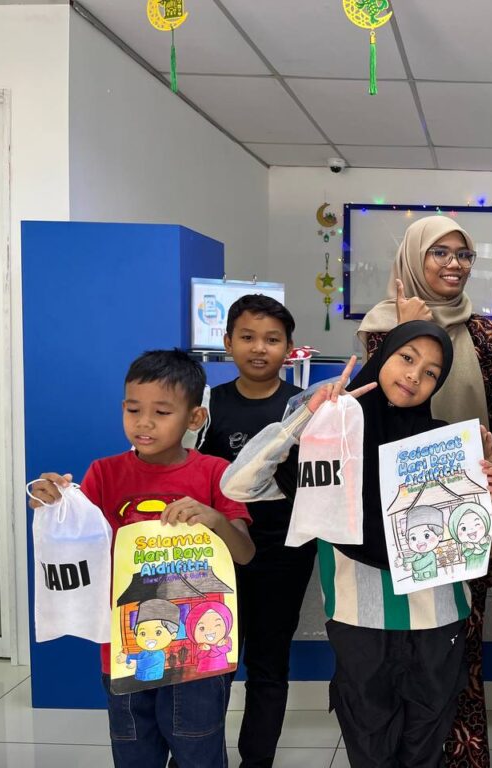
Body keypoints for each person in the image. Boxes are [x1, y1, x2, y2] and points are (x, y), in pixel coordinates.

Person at [221, 322, 492, 768]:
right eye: (407, 358)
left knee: (426, 746)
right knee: (370, 744)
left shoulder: (444, 441)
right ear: (382, 356)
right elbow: (238, 484)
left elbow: (470, 537)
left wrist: (488, 492)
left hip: (438, 617)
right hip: (360, 618)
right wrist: (305, 419)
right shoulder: (329, 444)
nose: (414, 376)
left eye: (431, 372)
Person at [28, 349, 255, 768]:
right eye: (133, 409)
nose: (144, 422)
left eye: (161, 412)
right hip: (125, 649)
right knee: (134, 752)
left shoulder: (214, 472)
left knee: (198, 751)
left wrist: (215, 519)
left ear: (194, 418)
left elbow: (245, 552)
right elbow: (79, 544)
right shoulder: (104, 473)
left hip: (198, 651)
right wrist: (56, 505)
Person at [359, 215, 492, 767]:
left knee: (460, 642)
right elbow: (372, 405)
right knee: (403, 651)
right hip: (396, 517)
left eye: (463, 254)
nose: (453, 264)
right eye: (439, 252)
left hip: (468, 506)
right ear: (412, 258)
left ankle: (462, 757)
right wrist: (406, 329)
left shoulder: (484, 333)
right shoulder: (382, 326)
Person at [197, 294, 311, 768]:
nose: (259, 348)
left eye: (272, 339)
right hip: (217, 553)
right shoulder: (206, 405)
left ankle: (256, 760)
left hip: (286, 552)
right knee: (211, 660)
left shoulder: (303, 408)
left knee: (269, 663)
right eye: (247, 337)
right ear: (228, 342)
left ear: (289, 348)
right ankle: (199, 755)